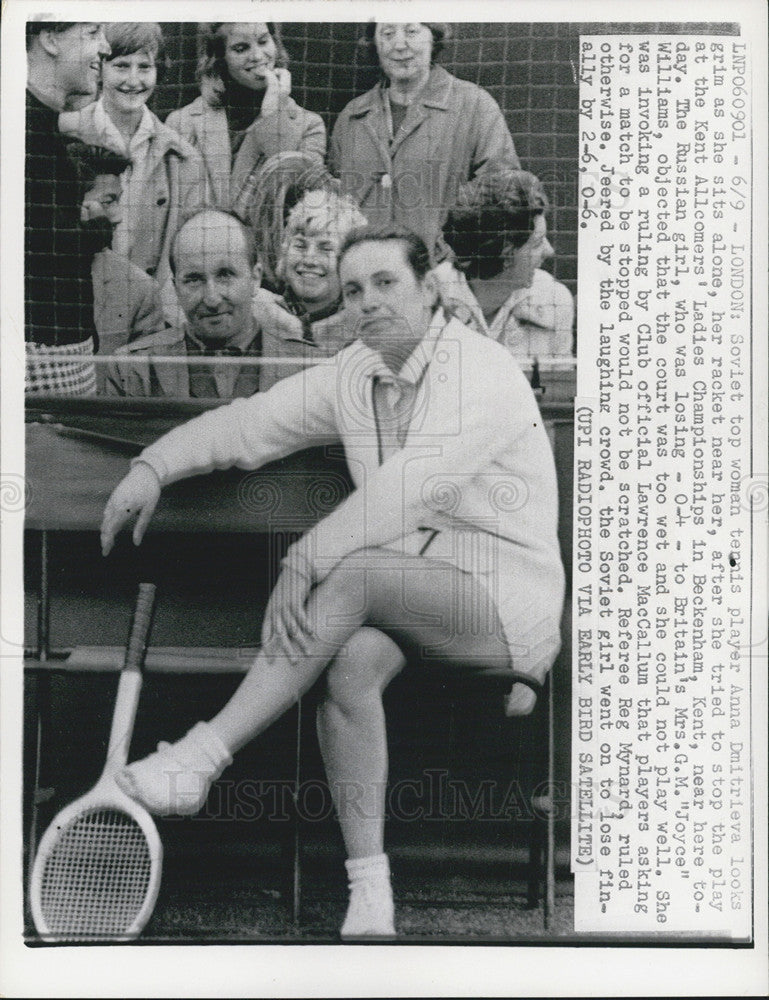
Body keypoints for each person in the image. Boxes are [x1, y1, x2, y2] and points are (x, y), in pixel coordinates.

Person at [100, 222, 565, 938]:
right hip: (407, 587)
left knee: (350, 577)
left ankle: (203, 755)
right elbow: (250, 423)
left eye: (386, 284)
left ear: (429, 289)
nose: (368, 301)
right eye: (354, 290)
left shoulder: (480, 368)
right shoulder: (354, 372)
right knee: (348, 666)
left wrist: (303, 561)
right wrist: (152, 466)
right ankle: (370, 893)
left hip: (507, 599)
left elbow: (413, 487)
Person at [59, 23, 207, 322]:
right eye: (121, 66)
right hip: (77, 307)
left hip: (153, 317)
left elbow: (190, 249)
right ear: (99, 68)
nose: (133, 80)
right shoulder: (63, 137)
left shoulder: (183, 157)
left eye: (145, 67)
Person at [330, 22, 520, 255]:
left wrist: (454, 257)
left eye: (411, 31)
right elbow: (334, 206)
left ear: (434, 38)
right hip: (366, 278)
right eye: (388, 33)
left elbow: (502, 199)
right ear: (375, 44)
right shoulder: (352, 117)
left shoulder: (475, 106)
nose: (399, 45)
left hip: (443, 277)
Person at [25, 20, 111, 395]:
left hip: (58, 359)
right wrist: (93, 233)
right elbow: (37, 250)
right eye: (93, 32)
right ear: (49, 39)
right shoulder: (25, 132)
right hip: (38, 364)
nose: (105, 46)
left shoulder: (44, 128)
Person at [166, 23, 326, 216]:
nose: (258, 56)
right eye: (241, 48)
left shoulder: (310, 126)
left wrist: (274, 115)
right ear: (219, 59)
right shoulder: (182, 123)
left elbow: (296, 203)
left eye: (263, 41)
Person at [106, 209, 262, 399]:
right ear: (176, 287)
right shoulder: (132, 370)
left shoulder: (302, 367)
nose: (212, 299)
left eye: (225, 275)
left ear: (255, 278)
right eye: (194, 279)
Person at [65, 140, 166, 392]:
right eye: (108, 201)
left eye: (118, 201)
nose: (119, 217)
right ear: (71, 204)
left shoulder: (140, 290)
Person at [444, 166, 574, 357]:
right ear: (503, 253)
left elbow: (556, 386)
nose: (549, 251)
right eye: (537, 243)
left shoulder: (554, 299)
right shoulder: (430, 299)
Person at [258, 186, 367, 390]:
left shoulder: (363, 329)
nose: (309, 259)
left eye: (326, 248)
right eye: (300, 245)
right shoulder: (256, 313)